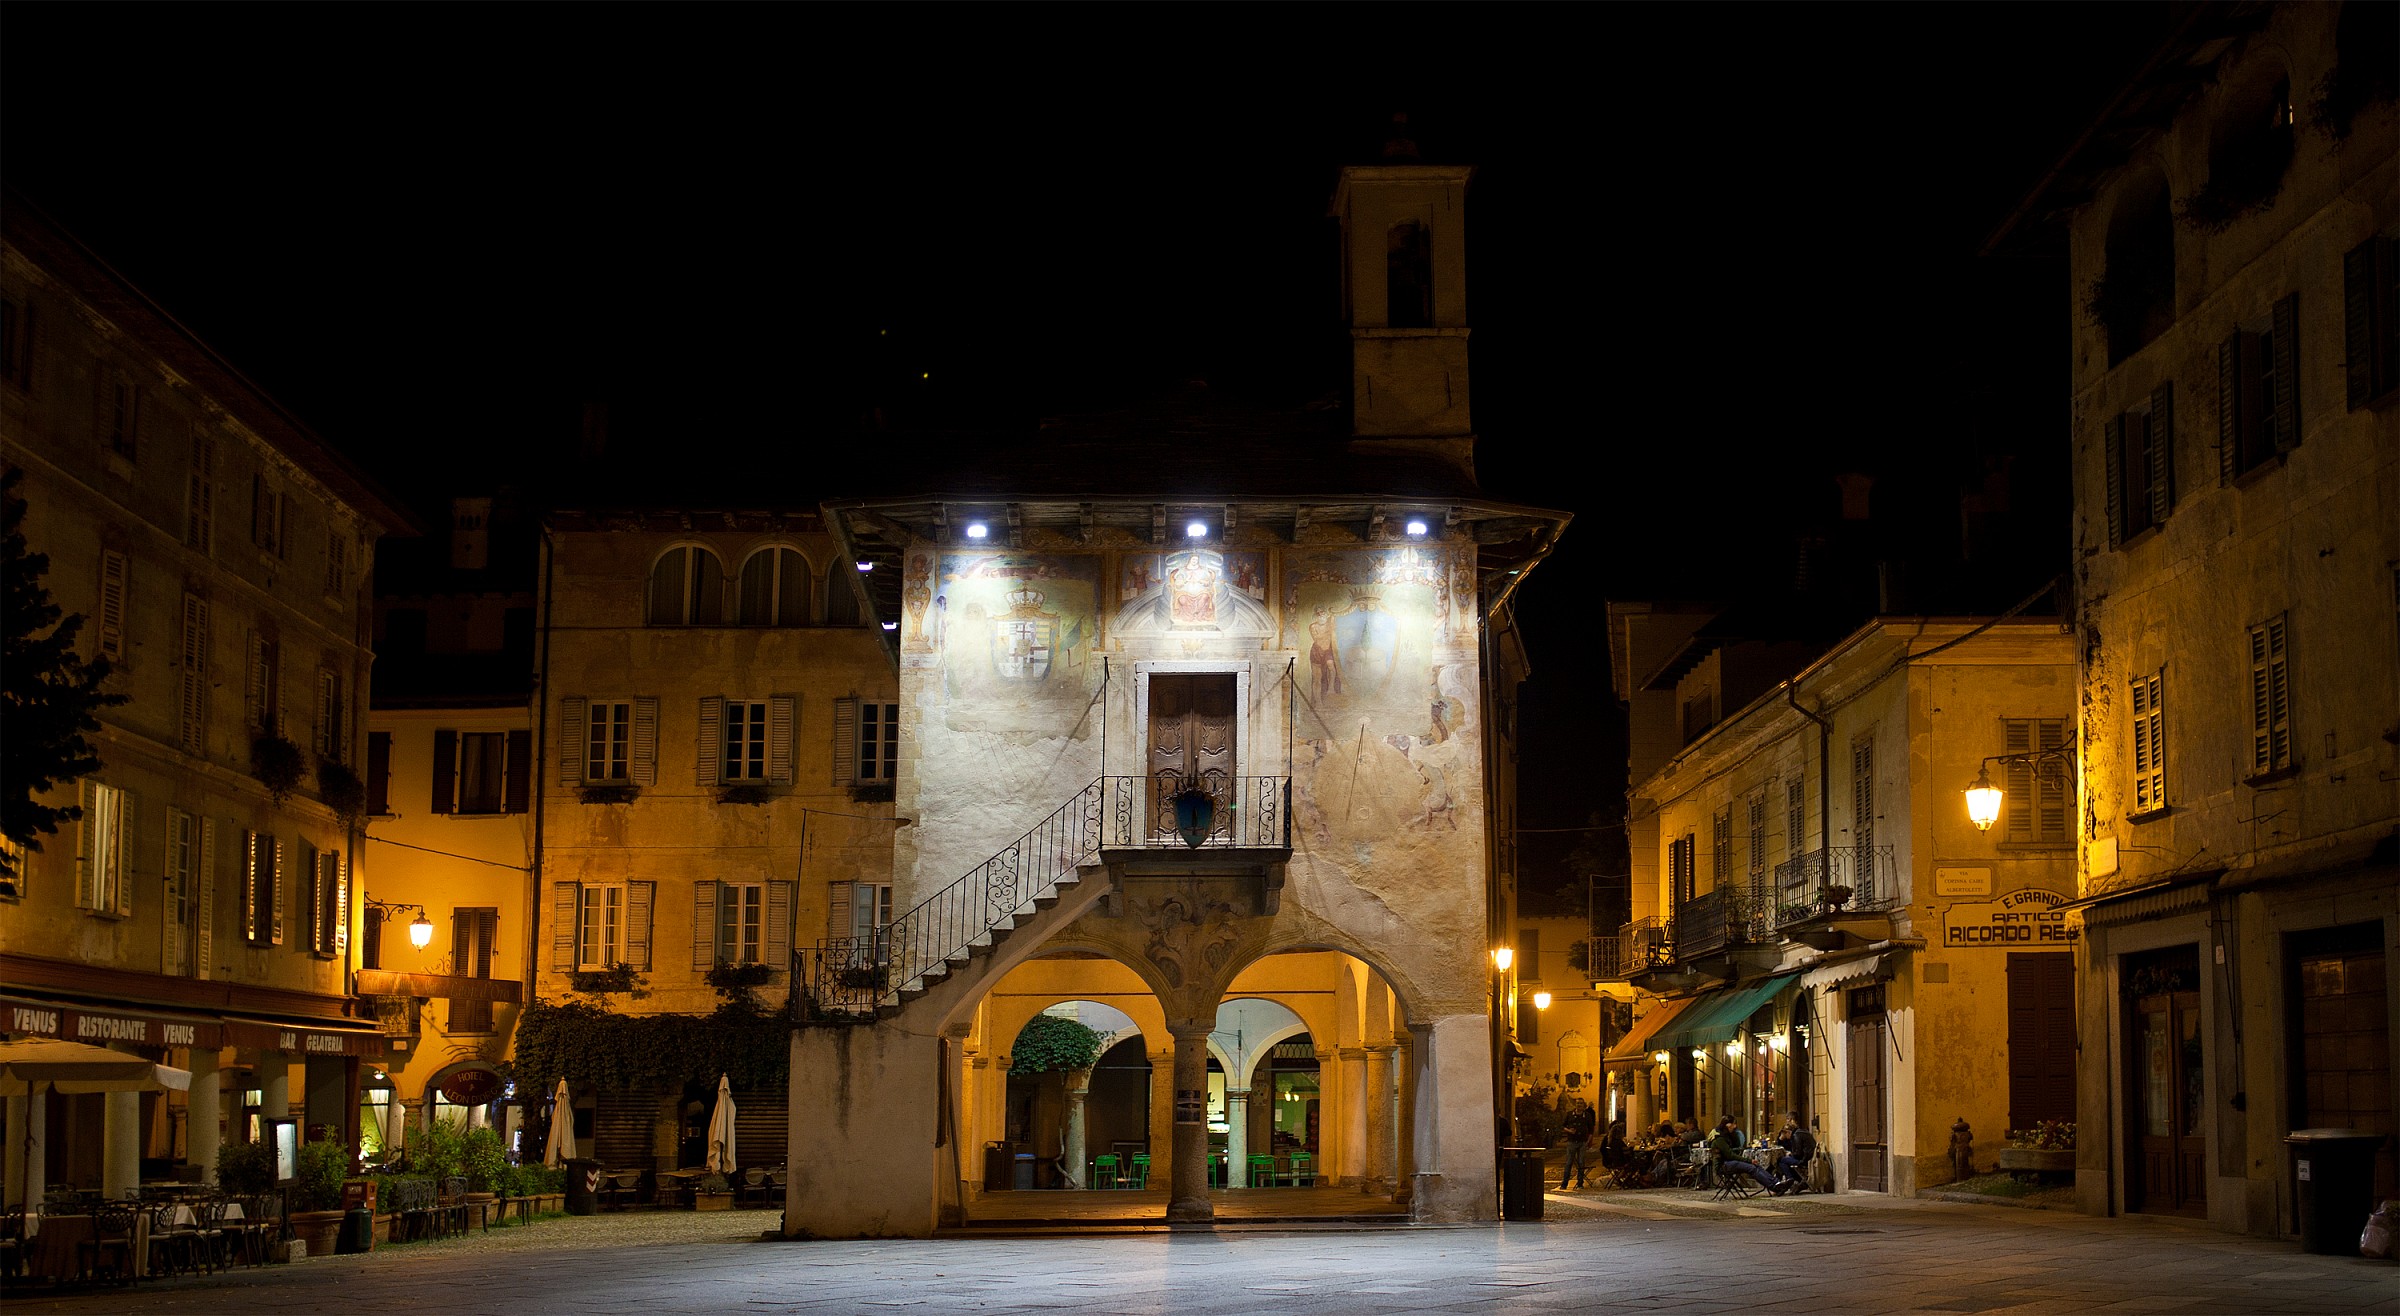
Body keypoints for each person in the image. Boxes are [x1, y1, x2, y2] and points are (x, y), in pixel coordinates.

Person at [1709, 1117, 1784, 1195]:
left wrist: (1734, 1135)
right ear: (1728, 1125)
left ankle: (1777, 1183)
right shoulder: (1720, 1138)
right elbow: (1730, 1155)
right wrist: (1749, 1160)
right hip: (1723, 1164)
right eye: (1733, 1124)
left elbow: (1736, 1147)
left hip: (1730, 1161)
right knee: (1751, 1168)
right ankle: (1773, 1186)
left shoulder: (1729, 1136)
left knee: (1756, 1165)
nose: (1735, 1126)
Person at [1773, 1115, 1818, 1192]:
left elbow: (1798, 1153)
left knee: (1781, 1161)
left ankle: (1789, 1179)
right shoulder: (1801, 1132)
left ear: (1788, 1132)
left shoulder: (1796, 1136)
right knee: (1784, 1162)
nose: (1786, 1137)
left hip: (1804, 1160)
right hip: (1809, 1158)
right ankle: (1792, 1180)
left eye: (1785, 1135)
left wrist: (1790, 1154)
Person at [1559, 1100, 1597, 1189]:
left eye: (1580, 1103)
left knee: (1581, 1162)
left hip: (1582, 1142)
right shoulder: (1569, 1114)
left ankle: (1580, 1183)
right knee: (1569, 1162)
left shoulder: (1587, 1116)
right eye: (1577, 1103)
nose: (1578, 1105)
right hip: (1572, 1141)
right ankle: (1564, 1183)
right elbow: (1563, 1126)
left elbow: (1591, 1129)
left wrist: (1588, 1141)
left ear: (1583, 1105)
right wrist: (1569, 1131)